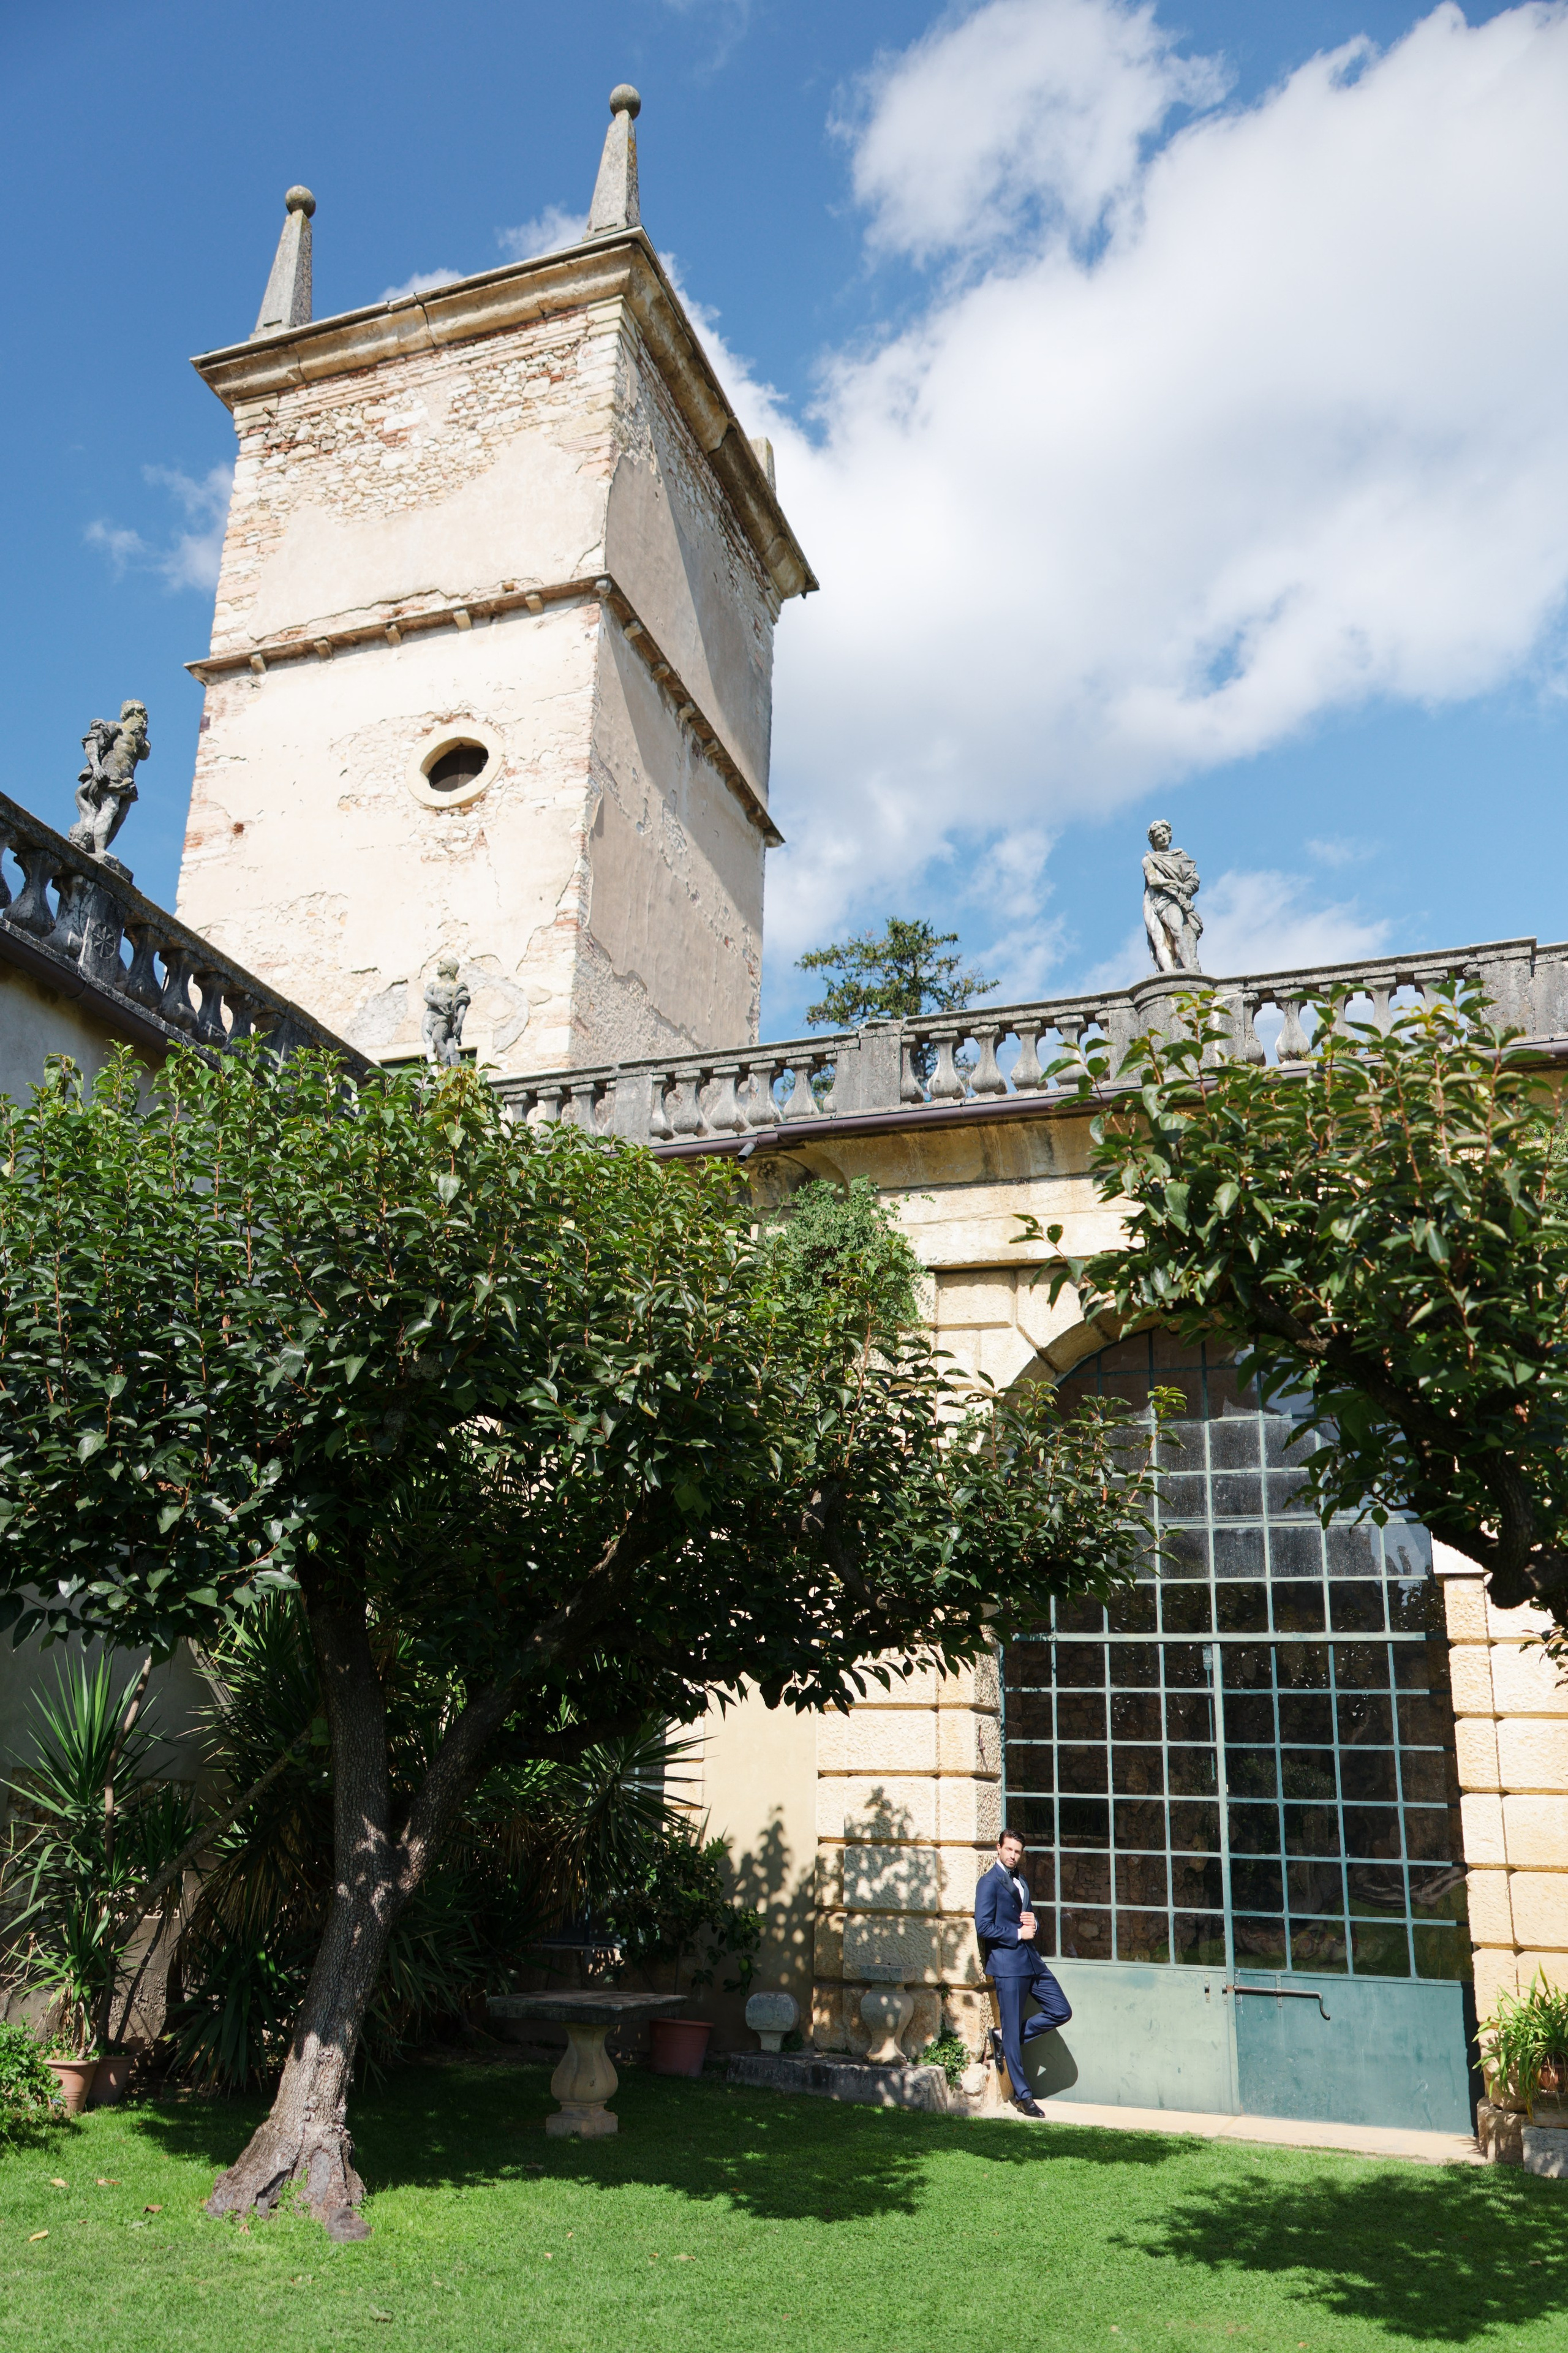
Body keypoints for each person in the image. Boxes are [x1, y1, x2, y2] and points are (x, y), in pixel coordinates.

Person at [974, 1828, 1071, 2117]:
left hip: (1031, 1962)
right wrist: (1018, 1932)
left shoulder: (1022, 1880)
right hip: (1008, 1965)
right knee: (1014, 2025)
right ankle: (1023, 2096)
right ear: (999, 1848)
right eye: (1009, 1850)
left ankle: (1006, 2036)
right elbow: (984, 1927)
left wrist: (1034, 1924)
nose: (1013, 1856)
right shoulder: (988, 1883)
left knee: (1061, 2010)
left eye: (1018, 1852)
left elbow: (1027, 1918)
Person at [1141, 818, 1203, 974]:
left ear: (1169, 835)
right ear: (1154, 842)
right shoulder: (1149, 859)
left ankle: (1189, 968)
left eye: (1164, 833)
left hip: (1173, 899)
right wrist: (1175, 884)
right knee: (1159, 940)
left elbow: (1193, 879)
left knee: (1177, 931)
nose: (1162, 837)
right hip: (1153, 901)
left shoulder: (1180, 856)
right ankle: (1168, 974)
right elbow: (1154, 881)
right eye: (1158, 836)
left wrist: (1186, 889)